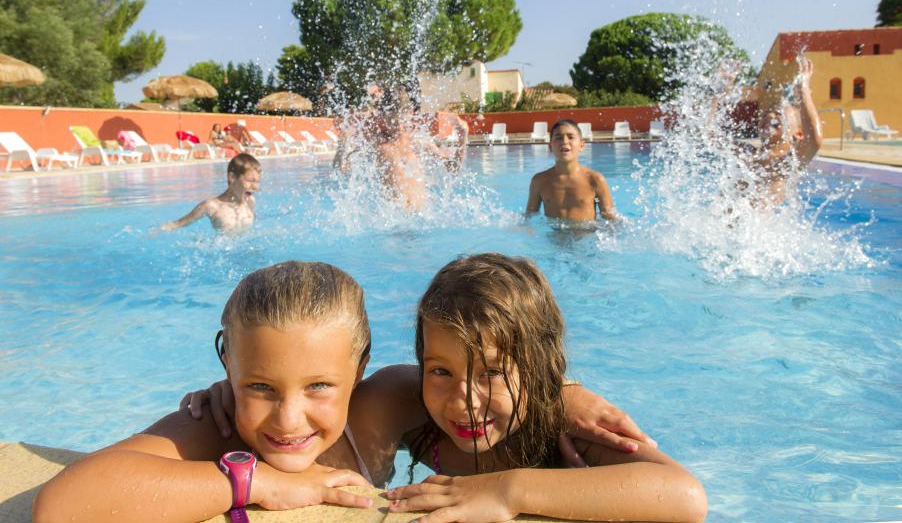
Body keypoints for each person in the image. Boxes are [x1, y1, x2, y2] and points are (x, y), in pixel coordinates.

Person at [34, 260, 652, 522]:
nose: (287, 415)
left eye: (320, 386)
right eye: (258, 384)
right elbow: (63, 507)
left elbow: (680, 495)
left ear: (360, 374)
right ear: (227, 370)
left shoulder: (394, 399)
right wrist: (263, 481)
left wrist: (558, 396)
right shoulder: (224, 420)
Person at [386, 253, 707, 522]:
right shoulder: (419, 423)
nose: (462, 403)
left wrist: (508, 490)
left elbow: (685, 496)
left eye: (492, 372)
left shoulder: (564, 433)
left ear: (538, 370)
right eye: (441, 370)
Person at [748, 57, 822, 205]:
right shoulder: (752, 151)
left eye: (778, 114)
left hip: (758, 224)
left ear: (798, 133)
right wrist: (717, 95)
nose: (770, 115)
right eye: (766, 113)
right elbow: (709, 139)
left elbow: (814, 141)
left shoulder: (789, 159)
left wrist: (803, 88)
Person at [526, 118, 618, 221]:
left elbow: (610, 218)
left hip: (586, 234)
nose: (564, 141)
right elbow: (529, 217)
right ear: (550, 146)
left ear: (581, 145)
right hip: (554, 235)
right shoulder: (539, 181)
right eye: (558, 137)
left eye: (570, 137)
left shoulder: (594, 180)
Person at [157, 153, 261, 234]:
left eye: (257, 181)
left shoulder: (250, 201)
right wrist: (156, 231)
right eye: (251, 180)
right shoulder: (212, 206)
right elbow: (178, 224)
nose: (256, 187)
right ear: (232, 177)